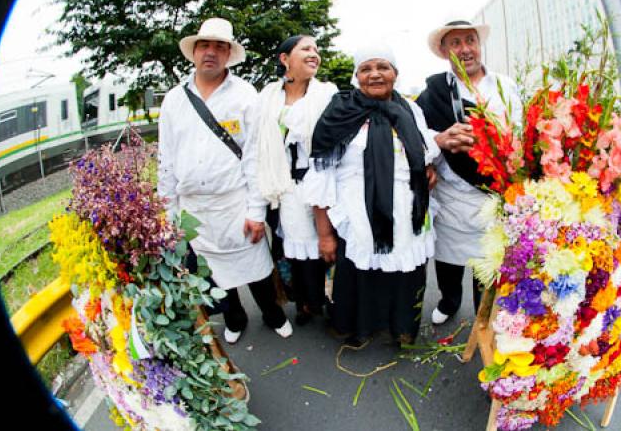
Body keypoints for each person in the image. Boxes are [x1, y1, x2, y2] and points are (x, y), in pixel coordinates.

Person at [157, 17, 292, 343]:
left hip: (235, 201)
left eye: (220, 46)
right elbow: (166, 159)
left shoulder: (246, 95)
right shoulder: (174, 99)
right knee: (212, 273)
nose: (211, 52)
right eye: (205, 45)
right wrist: (168, 212)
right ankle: (235, 318)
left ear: (229, 54)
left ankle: (273, 314)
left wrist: (255, 211)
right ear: (194, 51)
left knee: (256, 268)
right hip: (193, 208)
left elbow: (255, 158)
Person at [304, 43, 439, 346]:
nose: (375, 74)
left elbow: (422, 150)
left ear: (395, 74)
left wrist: (429, 170)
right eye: (366, 69)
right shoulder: (340, 111)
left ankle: (401, 329)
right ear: (357, 76)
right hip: (358, 215)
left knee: (406, 274)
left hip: (406, 212)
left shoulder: (409, 109)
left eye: (383, 67)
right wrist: (325, 234)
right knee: (359, 277)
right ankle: (359, 329)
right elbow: (321, 175)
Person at [416, 18, 521, 325]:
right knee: (448, 261)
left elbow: (522, 134)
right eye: (456, 43)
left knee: (486, 264)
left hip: (494, 195)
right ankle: (449, 301)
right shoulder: (433, 92)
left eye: (470, 41)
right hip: (452, 196)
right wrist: (439, 140)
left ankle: (483, 316)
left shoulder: (506, 87)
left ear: (479, 44)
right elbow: (417, 136)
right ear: (444, 51)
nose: (465, 49)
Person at [255, 35, 338, 326]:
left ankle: (330, 301)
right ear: (284, 59)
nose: (314, 54)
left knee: (327, 246)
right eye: (306, 49)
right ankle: (305, 303)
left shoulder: (327, 94)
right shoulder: (267, 97)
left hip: (320, 179)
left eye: (316, 49)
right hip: (282, 185)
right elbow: (257, 144)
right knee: (293, 249)